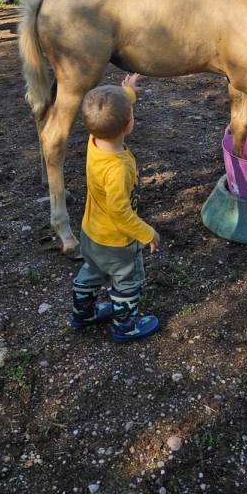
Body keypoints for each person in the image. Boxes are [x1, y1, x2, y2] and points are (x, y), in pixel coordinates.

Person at [71, 73, 160, 343]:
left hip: (90, 232)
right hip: (117, 242)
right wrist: (146, 233)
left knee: (91, 272)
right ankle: (126, 326)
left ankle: (83, 314)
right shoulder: (118, 169)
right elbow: (119, 213)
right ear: (129, 125)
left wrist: (128, 93)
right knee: (127, 282)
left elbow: (112, 114)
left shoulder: (94, 140)